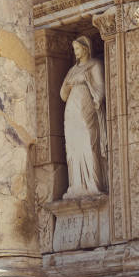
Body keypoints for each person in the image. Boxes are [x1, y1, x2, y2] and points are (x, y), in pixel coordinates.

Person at [60, 35, 108, 199]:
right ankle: (76, 185)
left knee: (88, 141)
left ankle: (93, 183)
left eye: (78, 48)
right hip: (71, 109)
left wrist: (86, 80)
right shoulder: (72, 70)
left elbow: (101, 89)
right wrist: (68, 84)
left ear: (86, 48)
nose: (76, 52)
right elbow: (62, 95)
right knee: (73, 145)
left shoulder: (94, 65)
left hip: (87, 107)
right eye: (74, 49)